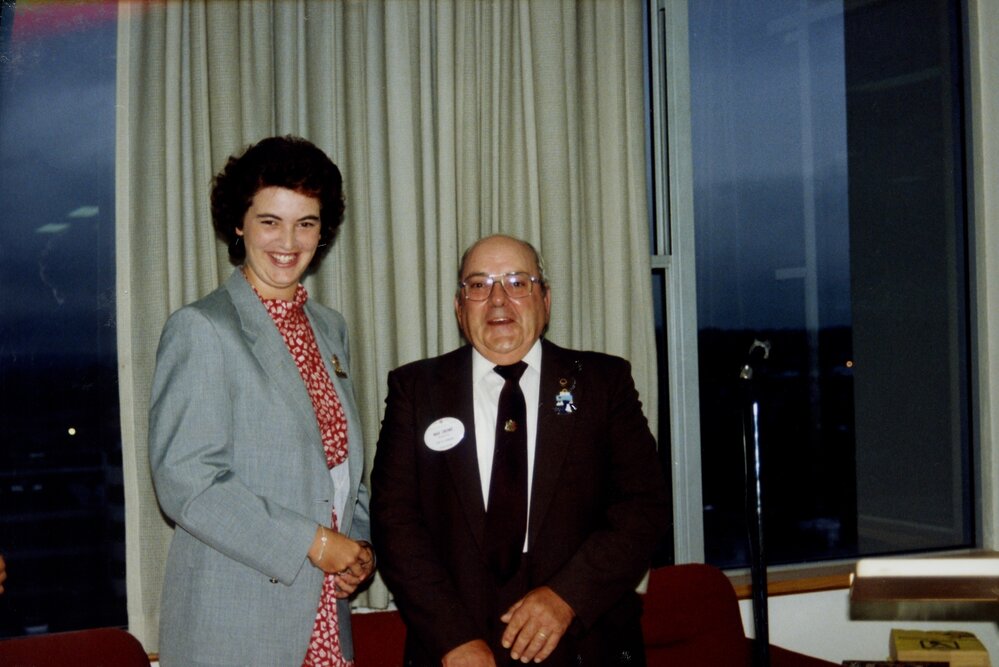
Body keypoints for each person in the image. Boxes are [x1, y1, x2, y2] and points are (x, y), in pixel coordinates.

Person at [371, 234, 669, 666]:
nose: (497, 300)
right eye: (478, 285)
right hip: (456, 650)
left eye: (517, 282)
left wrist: (567, 597)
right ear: (459, 307)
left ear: (545, 300)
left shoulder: (602, 383)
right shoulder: (416, 390)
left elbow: (645, 508)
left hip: (582, 641)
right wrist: (453, 638)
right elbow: (395, 522)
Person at [149, 136, 373, 666]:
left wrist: (358, 549)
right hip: (233, 628)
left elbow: (342, 470)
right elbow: (188, 482)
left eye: (306, 223)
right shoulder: (202, 328)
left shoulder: (329, 329)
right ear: (238, 224)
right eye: (270, 220)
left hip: (323, 618)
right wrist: (316, 544)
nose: (288, 241)